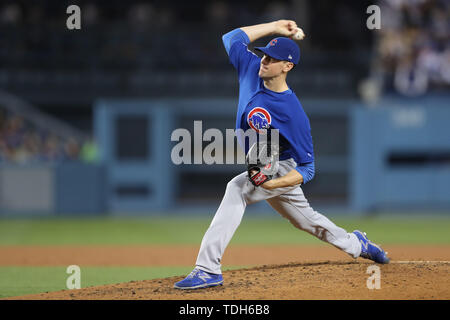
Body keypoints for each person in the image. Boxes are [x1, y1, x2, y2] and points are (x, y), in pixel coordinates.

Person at [174, 20, 390, 290]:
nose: (264, 60)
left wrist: (273, 183)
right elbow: (231, 38)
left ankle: (207, 269)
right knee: (306, 220)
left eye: (272, 58)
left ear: (287, 67)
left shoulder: (292, 112)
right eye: (264, 54)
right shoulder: (251, 68)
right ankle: (357, 243)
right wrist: (276, 27)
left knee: (236, 189)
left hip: (277, 161)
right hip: (260, 157)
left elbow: (308, 168)